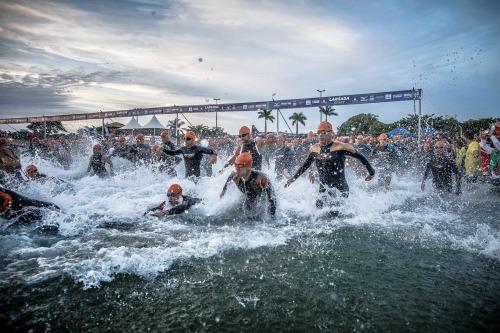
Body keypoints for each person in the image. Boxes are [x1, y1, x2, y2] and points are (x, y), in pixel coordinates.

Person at [285, 121, 375, 213]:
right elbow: (305, 165)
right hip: (324, 188)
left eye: (324, 133)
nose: (320, 135)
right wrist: (293, 179)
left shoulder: (341, 147)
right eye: (318, 133)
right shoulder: (314, 149)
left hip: (340, 188)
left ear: (331, 133)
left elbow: (361, 157)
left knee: (335, 215)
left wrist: (371, 172)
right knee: (318, 213)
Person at [220, 152, 276, 218]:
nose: (236, 169)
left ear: (247, 168)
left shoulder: (260, 177)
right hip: (249, 196)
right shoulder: (234, 175)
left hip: (261, 197)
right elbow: (226, 186)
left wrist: (272, 216)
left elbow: (271, 198)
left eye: (239, 168)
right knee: (248, 207)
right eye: (236, 166)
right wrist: (222, 194)